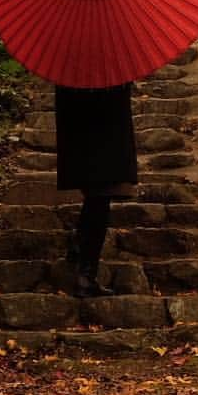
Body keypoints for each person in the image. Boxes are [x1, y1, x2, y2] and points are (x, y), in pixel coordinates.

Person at [54, 81, 137, 297]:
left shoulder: (66, 64)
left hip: (81, 122)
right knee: (100, 197)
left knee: (98, 196)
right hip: (104, 123)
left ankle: (81, 248)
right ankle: (86, 273)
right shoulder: (116, 60)